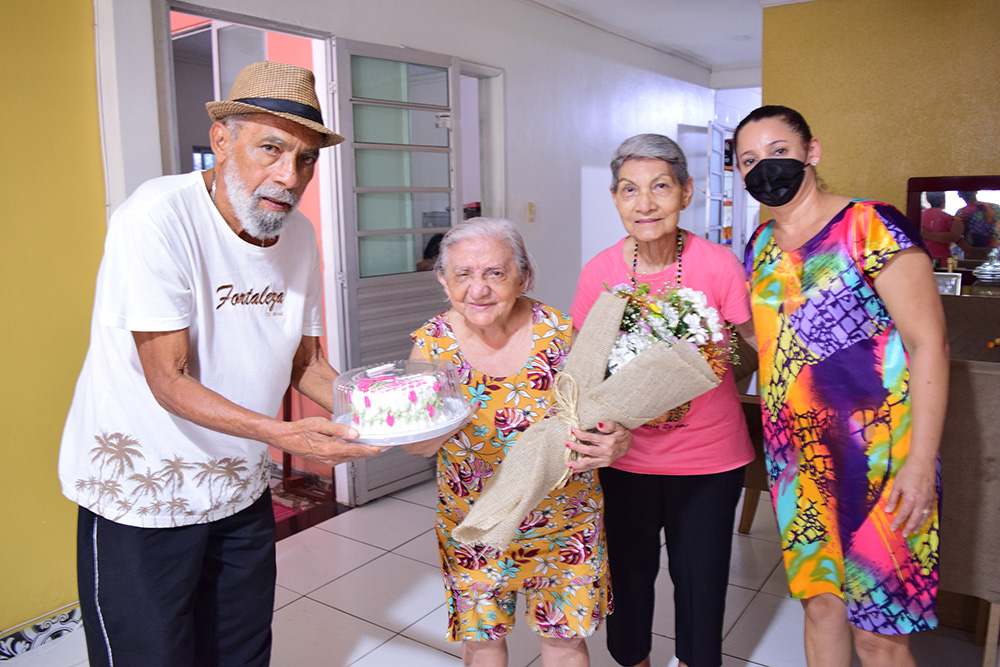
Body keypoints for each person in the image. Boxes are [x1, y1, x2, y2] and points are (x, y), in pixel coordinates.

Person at [58, 62, 383, 667]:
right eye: (271, 148)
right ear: (222, 139)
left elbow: (307, 363)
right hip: (143, 493)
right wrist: (281, 434)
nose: (289, 176)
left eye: (306, 159)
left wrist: (389, 416)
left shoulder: (299, 236)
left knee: (240, 651)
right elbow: (168, 379)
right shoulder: (158, 217)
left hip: (238, 485)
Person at [734, 105, 948, 667]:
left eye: (779, 152)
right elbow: (771, 341)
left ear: (812, 151)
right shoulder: (759, 247)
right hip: (798, 462)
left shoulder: (871, 226)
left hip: (882, 460)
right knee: (820, 608)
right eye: (749, 160)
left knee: (879, 635)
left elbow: (929, 344)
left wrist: (920, 465)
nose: (765, 168)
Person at [405, 217, 632, 666]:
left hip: (564, 521)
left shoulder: (560, 333)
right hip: (475, 523)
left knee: (564, 641)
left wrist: (617, 439)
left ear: (524, 277)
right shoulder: (432, 345)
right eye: (463, 274)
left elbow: (606, 415)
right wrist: (425, 429)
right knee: (482, 641)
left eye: (495, 272)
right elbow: (417, 444)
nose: (478, 289)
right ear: (443, 280)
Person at [570, 134, 757, 667]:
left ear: (685, 192)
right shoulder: (601, 271)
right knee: (628, 580)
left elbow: (757, 348)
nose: (645, 204)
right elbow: (581, 368)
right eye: (629, 190)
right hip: (624, 458)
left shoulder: (718, 265)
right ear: (615, 198)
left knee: (701, 582)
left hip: (709, 458)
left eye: (660, 187)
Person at [919, 191, 962, 264]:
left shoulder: (919, 216)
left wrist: (927, 235)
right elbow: (955, 236)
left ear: (927, 199)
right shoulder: (948, 218)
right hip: (943, 261)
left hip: (922, 259)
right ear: (943, 200)